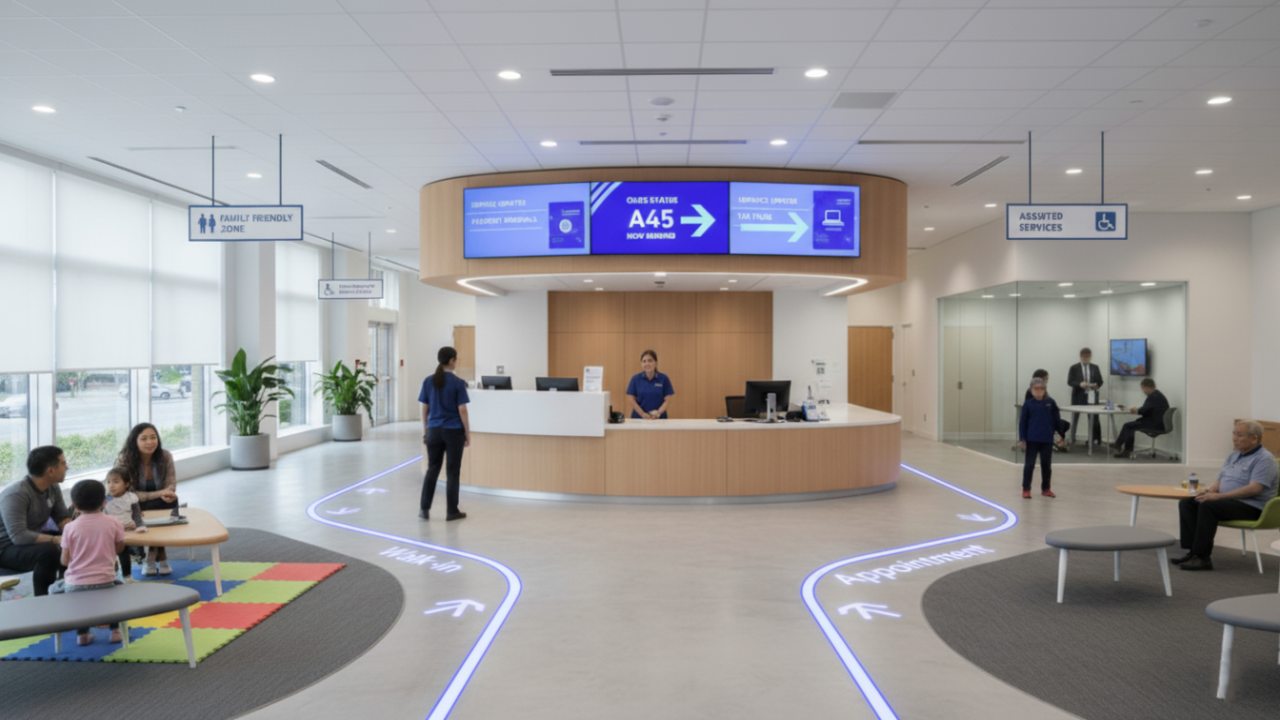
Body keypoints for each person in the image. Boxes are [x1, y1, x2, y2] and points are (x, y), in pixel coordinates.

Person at [1173, 420, 1278, 571]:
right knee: (1188, 503)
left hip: (1252, 506)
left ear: (1254, 438)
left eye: (1239, 435)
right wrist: (1210, 491)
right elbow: (1221, 479)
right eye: (1234, 433)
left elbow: (1255, 489)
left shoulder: (1264, 459)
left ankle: (1203, 558)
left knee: (1209, 506)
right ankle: (1193, 552)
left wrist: (1219, 497)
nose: (1234, 438)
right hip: (1231, 501)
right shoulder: (1234, 455)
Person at [58, 479, 126, 645]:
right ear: (104, 502)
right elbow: (120, 548)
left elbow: (65, 560)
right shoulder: (114, 523)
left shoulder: (70, 528)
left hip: (75, 585)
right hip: (106, 581)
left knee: (56, 589)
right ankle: (115, 631)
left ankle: (82, 634)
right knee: (117, 594)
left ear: (74, 505)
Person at [0, 446, 73, 596]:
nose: (67, 467)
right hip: (6, 548)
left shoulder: (53, 487)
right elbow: (19, 536)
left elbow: (61, 517)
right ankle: (43, 599)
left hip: (28, 539)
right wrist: (55, 539)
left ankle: (66, 588)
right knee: (49, 551)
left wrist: (74, 532)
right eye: (63, 463)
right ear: (50, 471)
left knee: (71, 541)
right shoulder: (16, 494)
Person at [116, 423, 177, 576]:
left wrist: (168, 493)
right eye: (144, 439)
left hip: (156, 501)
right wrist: (159, 493)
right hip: (132, 503)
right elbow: (127, 492)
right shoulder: (125, 459)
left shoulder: (165, 456)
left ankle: (151, 556)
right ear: (134, 441)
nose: (150, 442)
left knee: (171, 501)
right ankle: (159, 556)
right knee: (138, 504)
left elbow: (171, 483)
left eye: (153, 437)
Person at [419, 346, 470, 522]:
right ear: (451, 361)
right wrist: (467, 434)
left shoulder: (428, 381)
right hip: (453, 431)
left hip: (433, 430)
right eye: (456, 359)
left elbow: (424, 409)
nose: (457, 362)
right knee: (452, 471)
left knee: (432, 469)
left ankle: (424, 509)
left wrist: (425, 430)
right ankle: (451, 511)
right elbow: (462, 409)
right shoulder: (458, 383)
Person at [1018, 378, 1061, 499]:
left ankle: (1046, 489)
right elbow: (1023, 423)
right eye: (1036, 389)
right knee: (1029, 465)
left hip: (1046, 440)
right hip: (1032, 440)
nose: (1039, 391)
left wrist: (1061, 435)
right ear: (1031, 390)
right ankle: (1026, 489)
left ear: (1045, 390)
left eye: (1042, 389)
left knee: (1046, 465)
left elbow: (1057, 420)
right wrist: (1022, 438)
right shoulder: (1028, 404)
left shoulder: (1051, 403)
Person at [103, 466, 146, 580]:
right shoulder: (105, 499)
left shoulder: (131, 497)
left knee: (126, 552)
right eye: (108, 482)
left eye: (116, 482)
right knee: (113, 555)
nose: (111, 485)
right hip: (111, 531)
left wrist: (140, 525)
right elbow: (101, 515)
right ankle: (114, 575)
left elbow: (137, 514)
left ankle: (128, 575)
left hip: (128, 529)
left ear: (126, 484)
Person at [1112, 378, 1170, 458]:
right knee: (1131, 426)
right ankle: (1123, 448)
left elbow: (1144, 411)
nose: (1143, 391)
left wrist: (1136, 410)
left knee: (1128, 426)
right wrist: (1138, 409)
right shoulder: (1157, 395)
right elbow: (1148, 409)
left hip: (1155, 424)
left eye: (1143, 389)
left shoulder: (1153, 396)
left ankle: (1120, 447)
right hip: (1158, 422)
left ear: (1146, 387)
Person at [1066, 347, 1104, 447]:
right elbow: (1070, 381)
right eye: (1084, 357)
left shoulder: (1095, 367)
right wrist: (1080, 384)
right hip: (1078, 396)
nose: (1086, 358)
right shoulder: (1074, 367)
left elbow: (1100, 381)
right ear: (1081, 356)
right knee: (1075, 418)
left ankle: (1094, 439)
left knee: (1094, 418)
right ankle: (1072, 438)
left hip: (1092, 396)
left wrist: (1097, 385)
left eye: (1088, 357)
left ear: (1090, 356)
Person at [1026, 369, 1070, 451]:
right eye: (1046, 379)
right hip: (1039, 419)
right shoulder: (1033, 391)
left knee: (1065, 424)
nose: (1047, 381)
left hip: (1044, 417)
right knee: (1060, 424)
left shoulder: (1040, 390)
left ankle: (1057, 441)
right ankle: (1056, 442)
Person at [625, 349, 675, 420]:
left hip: (659, 419)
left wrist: (658, 413)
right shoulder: (635, 379)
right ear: (641, 364)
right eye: (644, 361)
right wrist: (642, 414)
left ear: (656, 362)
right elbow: (631, 399)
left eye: (650, 360)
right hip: (639, 418)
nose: (647, 364)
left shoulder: (664, 379)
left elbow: (668, 400)